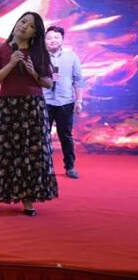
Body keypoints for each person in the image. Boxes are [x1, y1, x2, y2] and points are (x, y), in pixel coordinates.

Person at [0, 12, 58, 216]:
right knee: (3, 151)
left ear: (35, 33)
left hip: (33, 107)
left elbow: (48, 83)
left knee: (32, 153)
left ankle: (28, 200)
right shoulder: (1, 51)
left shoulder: (39, 53)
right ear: (16, 23)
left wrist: (33, 72)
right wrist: (11, 64)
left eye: (30, 26)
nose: (24, 26)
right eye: (23, 21)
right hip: (9, 106)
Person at [44, 26, 84, 179]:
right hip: (44, 102)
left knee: (65, 136)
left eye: (56, 37)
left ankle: (70, 166)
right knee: (43, 136)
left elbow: (78, 80)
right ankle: (44, 167)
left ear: (62, 39)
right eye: (49, 38)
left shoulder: (71, 57)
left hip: (66, 102)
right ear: (44, 40)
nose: (52, 40)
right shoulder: (39, 57)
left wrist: (79, 100)